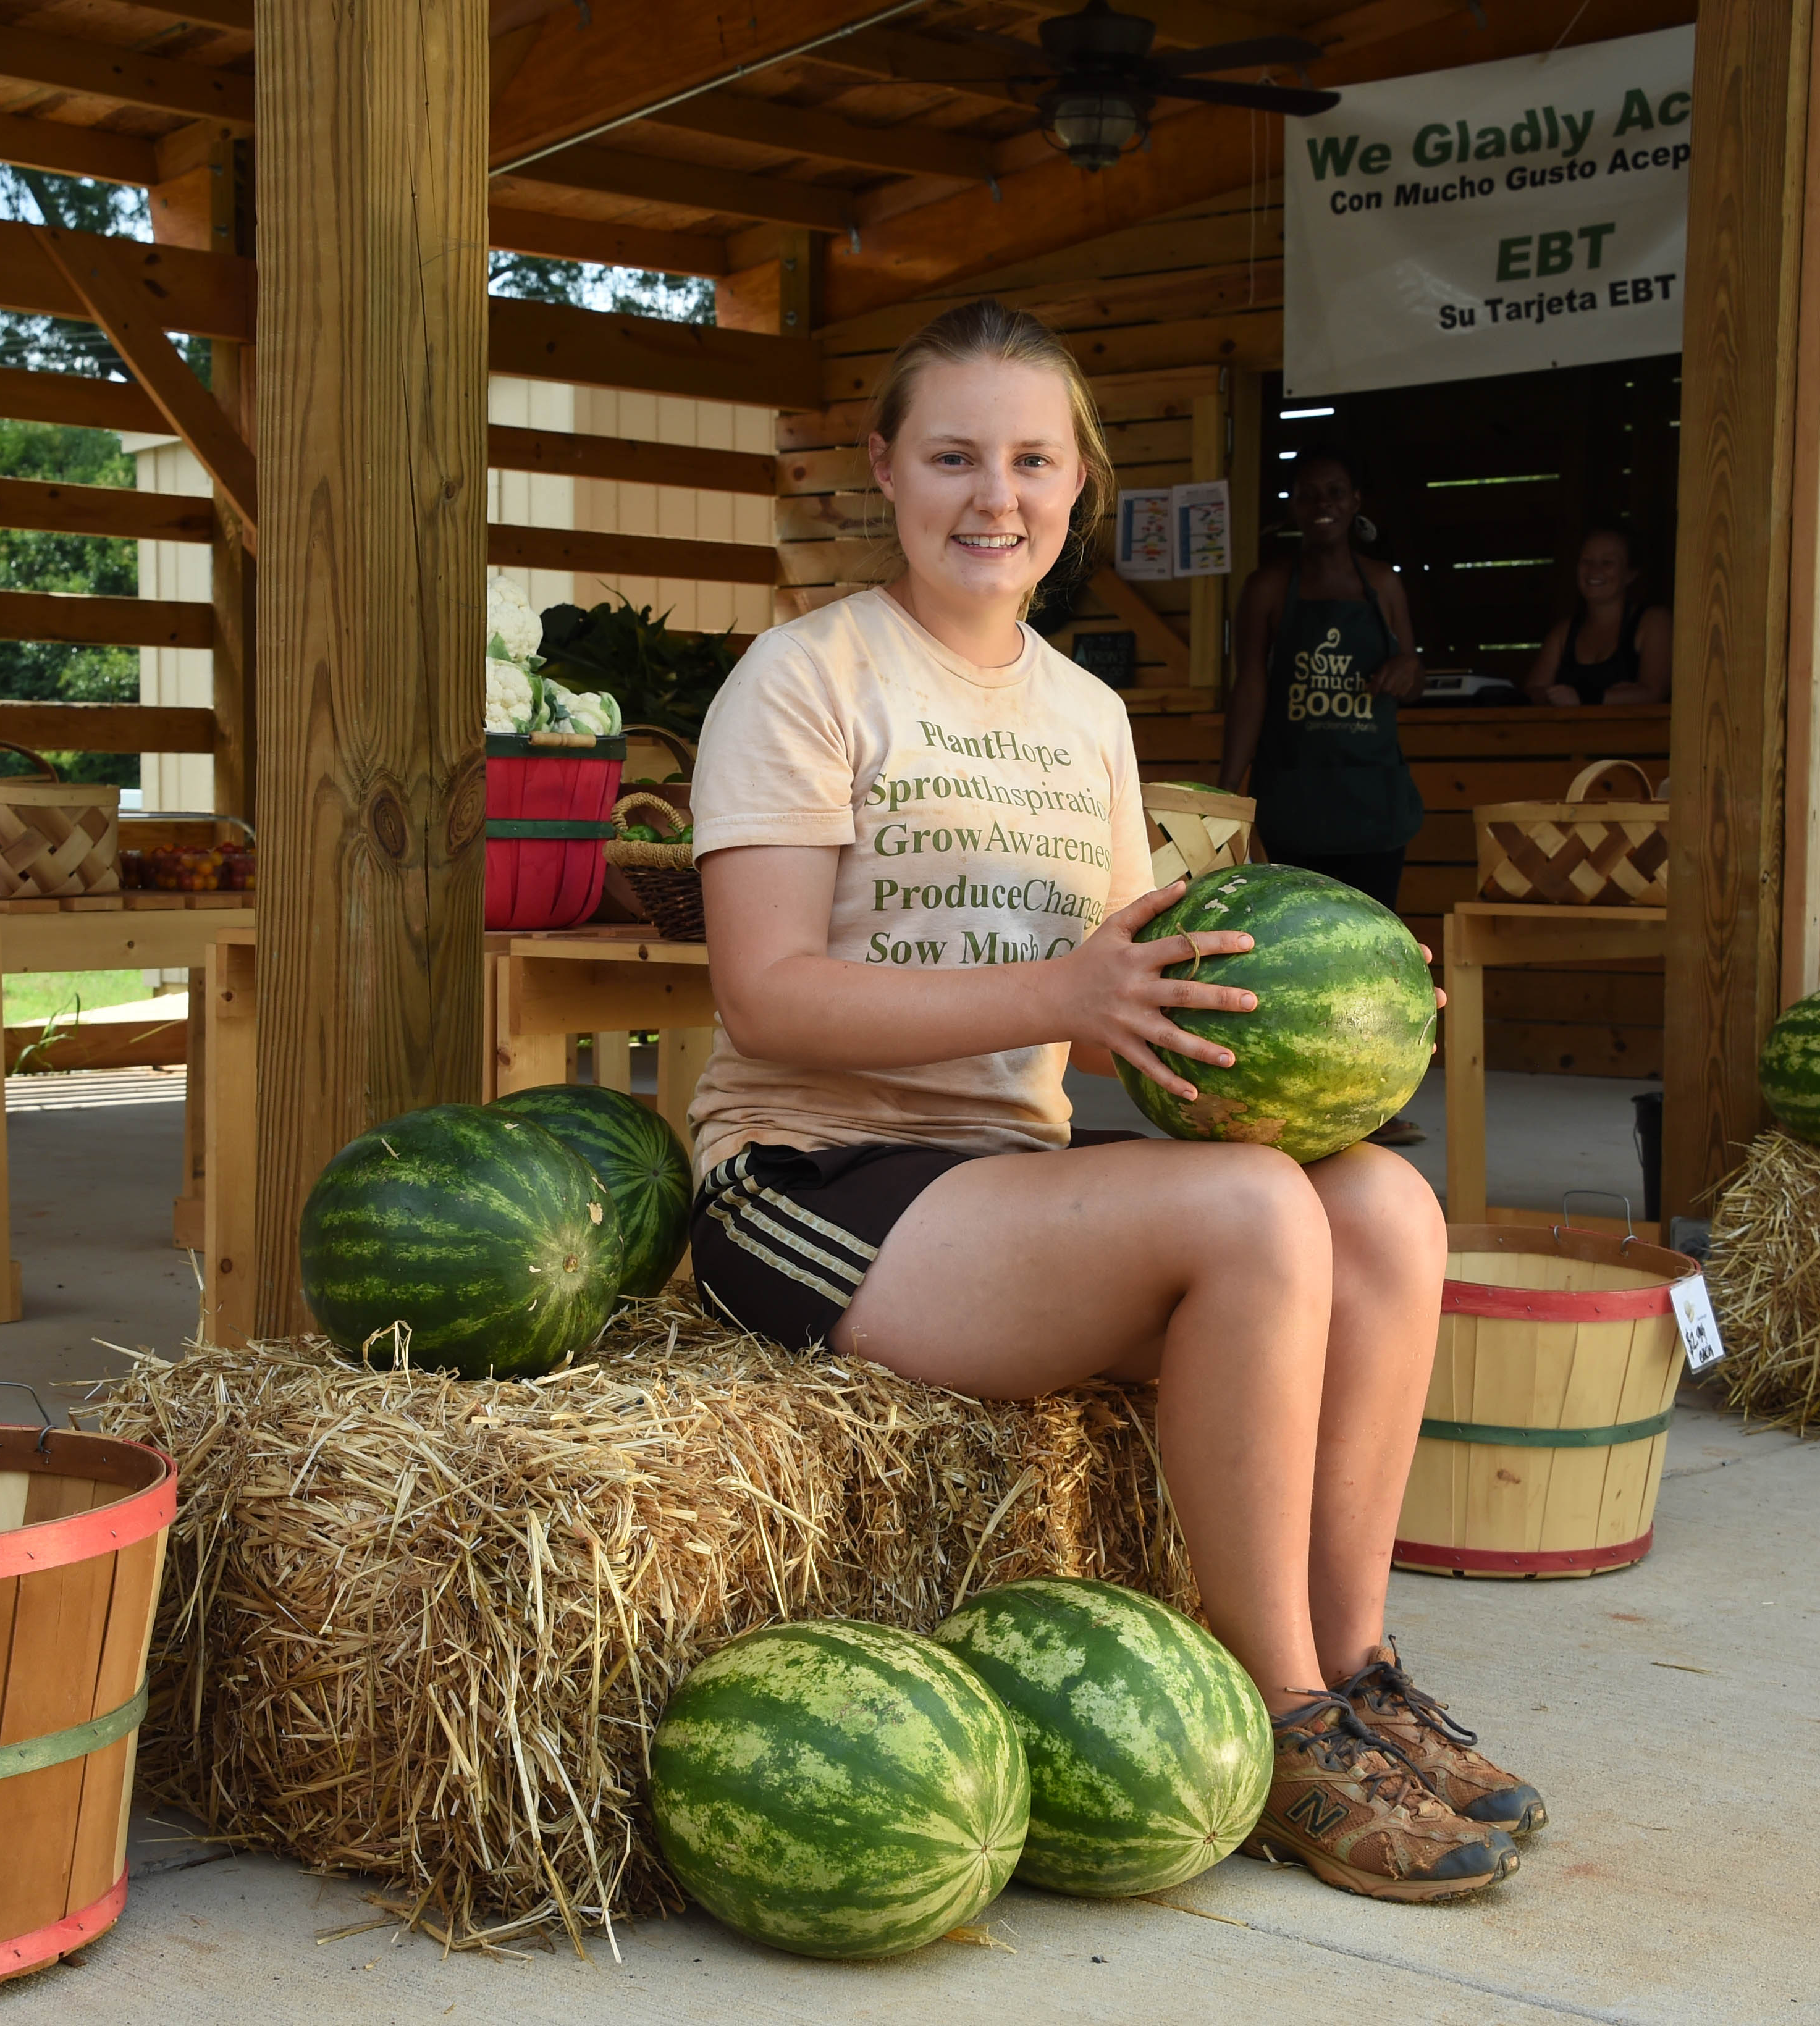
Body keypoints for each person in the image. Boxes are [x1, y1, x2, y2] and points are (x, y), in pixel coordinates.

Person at [685, 300, 1540, 1906]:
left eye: (1030, 459)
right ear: (885, 470)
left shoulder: (1086, 716)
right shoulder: (806, 678)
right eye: (953, 456)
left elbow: (1121, 1012)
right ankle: (1278, 1719)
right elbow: (766, 994)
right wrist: (1057, 998)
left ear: (1077, 482)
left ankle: (1357, 1670)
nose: (992, 495)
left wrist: (1333, 1012)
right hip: (814, 1182)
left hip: (1011, 1180)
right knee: (1249, 1210)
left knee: (1380, 1202)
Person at [1218, 452, 1426, 913]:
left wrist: (1408, 668)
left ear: (1355, 502)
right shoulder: (1268, 587)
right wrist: (1228, 790)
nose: (1323, 504)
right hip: (1295, 801)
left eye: (1335, 493)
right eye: (1308, 495)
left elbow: (1414, 682)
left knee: (1373, 932)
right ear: (1293, 506)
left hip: (1374, 803)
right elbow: (1250, 686)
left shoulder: (1383, 584)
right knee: (1294, 931)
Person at [1527, 524, 1672, 705]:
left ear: (1631, 574)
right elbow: (1533, 691)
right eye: (1587, 561)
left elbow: (1654, 692)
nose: (1594, 570)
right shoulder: (1563, 632)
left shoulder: (1654, 622)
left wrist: (1583, 698)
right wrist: (1550, 696)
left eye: (1607, 563)